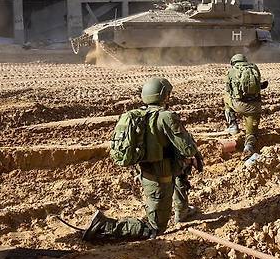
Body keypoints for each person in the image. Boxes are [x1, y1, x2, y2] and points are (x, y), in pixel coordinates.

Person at [82, 78, 203, 242]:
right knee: (155, 229)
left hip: (147, 172)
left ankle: (182, 211)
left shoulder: (139, 115)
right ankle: (104, 226)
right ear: (164, 97)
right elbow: (188, 149)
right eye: (168, 94)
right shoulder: (166, 117)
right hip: (160, 177)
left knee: (181, 173)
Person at [224, 54, 267, 155]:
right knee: (252, 133)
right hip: (255, 107)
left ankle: (233, 126)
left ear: (233, 62)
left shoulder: (231, 71)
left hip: (240, 105)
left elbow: (228, 89)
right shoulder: (254, 68)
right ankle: (249, 146)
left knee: (226, 97)